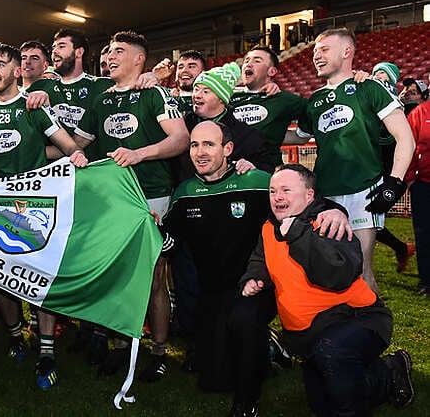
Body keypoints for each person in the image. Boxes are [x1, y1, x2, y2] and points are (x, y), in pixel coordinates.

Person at [241, 164, 415, 416]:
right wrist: (254, 277)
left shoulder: (328, 222)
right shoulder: (269, 228)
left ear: (309, 195)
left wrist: (299, 234)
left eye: (286, 190)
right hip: (309, 333)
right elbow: (260, 260)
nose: (277, 197)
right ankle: (389, 372)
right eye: (272, 191)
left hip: (358, 319)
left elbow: (338, 275)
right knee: (324, 403)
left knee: (333, 360)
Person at [0, 44, 87, 389]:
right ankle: (16, 334)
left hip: (35, 207)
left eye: (1, 64)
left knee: (41, 277)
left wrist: (75, 154)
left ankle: (46, 350)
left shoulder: (33, 107)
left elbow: (67, 144)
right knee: (4, 277)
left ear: (17, 71)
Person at [73, 30, 189, 381]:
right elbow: (77, 143)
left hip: (151, 195)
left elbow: (180, 138)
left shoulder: (153, 93)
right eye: (108, 51)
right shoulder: (101, 100)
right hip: (113, 201)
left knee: (155, 277)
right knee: (117, 274)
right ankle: (122, 346)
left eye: (118, 51)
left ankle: (158, 350)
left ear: (140, 59)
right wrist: (74, 151)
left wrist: (140, 153)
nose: (109, 56)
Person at [162, 120, 274, 417]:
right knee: (213, 381)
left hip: (257, 285)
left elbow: (299, 200)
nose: (199, 152)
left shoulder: (257, 181)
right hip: (213, 292)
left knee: (244, 321)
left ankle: (247, 402)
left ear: (228, 149)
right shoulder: (185, 193)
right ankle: (268, 349)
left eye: (209, 144)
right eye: (194, 144)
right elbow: (169, 239)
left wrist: (331, 211)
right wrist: (153, 229)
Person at [296, 27, 416, 292]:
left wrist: (394, 183)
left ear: (347, 51)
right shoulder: (313, 101)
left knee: (361, 271)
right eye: (315, 51)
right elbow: (299, 137)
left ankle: (372, 331)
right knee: (328, 269)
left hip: (364, 190)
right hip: (325, 194)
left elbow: (405, 137)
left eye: (324, 49)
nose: (316, 56)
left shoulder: (370, 87)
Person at [369, 63, 416, 272]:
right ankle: (402, 249)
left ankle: (402, 249)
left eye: (383, 74)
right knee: (368, 221)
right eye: (376, 72)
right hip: (374, 171)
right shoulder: (369, 96)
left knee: (369, 220)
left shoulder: (395, 104)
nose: (378, 76)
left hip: (393, 175)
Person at [230, 45, 308, 169]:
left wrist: (281, 134)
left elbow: (312, 113)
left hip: (267, 175)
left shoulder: (284, 99)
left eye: (257, 60)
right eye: (246, 60)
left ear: (271, 71)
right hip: (231, 173)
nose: (249, 64)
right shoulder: (228, 99)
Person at [406, 98, 430, 296]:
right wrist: (411, 178)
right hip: (424, 183)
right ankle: (427, 281)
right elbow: (409, 145)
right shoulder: (419, 113)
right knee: (424, 234)